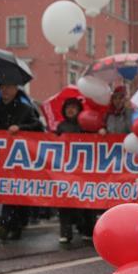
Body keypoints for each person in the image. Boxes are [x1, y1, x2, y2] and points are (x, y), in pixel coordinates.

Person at [0, 82, 43, 241]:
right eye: (2, 87)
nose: (4, 90)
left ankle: (9, 224)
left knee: (14, 191)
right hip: (0, 158)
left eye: (8, 87)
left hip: (19, 158)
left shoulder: (25, 108)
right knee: (6, 190)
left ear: (15, 90)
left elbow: (37, 126)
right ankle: (9, 224)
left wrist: (20, 128)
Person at [54, 97, 96, 244]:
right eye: (68, 107)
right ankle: (65, 232)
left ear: (79, 110)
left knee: (86, 200)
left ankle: (88, 230)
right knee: (64, 200)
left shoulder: (85, 125)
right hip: (66, 169)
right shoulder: (61, 126)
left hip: (85, 169)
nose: (70, 110)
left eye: (73, 107)